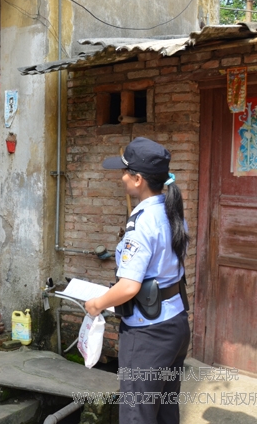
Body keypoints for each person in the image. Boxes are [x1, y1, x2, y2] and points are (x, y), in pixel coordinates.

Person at [85, 137, 190, 423]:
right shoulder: (172, 211)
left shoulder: (142, 221)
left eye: (125, 172)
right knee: (166, 412)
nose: (121, 177)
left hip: (148, 334)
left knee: (137, 415)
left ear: (138, 179)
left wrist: (97, 304)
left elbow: (129, 286)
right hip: (176, 324)